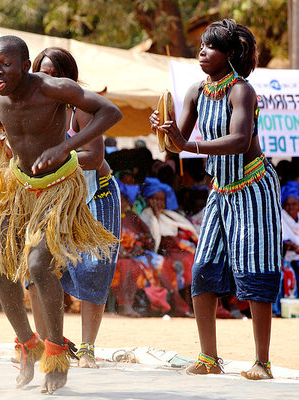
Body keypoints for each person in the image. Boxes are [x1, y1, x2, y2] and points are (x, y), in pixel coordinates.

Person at [0, 36, 121, 393]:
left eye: (6, 64)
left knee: (38, 265)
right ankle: (27, 344)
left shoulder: (54, 89)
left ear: (24, 66)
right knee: (0, 264)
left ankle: (56, 354)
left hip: (59, 188)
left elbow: (111, 112)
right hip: (18, 186)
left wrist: (65, 146)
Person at [151, 19, 282, 379]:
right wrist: (165, 130)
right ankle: (209, 357)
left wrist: (185, 144)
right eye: (202, 46)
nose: (202, 51)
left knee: (254, 270)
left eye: (211, 46)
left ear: (230, 54)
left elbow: (239, 140)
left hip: (253, 187)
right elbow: (176, 140)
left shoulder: (241, 91)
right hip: (220, 192)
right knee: (203, 270)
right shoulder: (196, 90)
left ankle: (262, 362)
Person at [25, 47, 121, 369]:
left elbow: (94, 157)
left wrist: (57, 156)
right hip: (52, 199)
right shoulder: (31, 108)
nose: (46, 78)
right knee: (37, 268)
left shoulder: (79, 106)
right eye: (41, 71)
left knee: (93, 269)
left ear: (67, 75)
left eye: (53, 72)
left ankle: (88, 349)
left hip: (95, 196)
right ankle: (50, 344)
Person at [140, 177, 197, 316]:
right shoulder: (146, 216)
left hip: (181, 251)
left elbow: (187, 230)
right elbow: (154, 240)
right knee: (179, 264)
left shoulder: (171, 215)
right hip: (165, 253)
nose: (159, 203)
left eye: (162, 200)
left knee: (194, 261)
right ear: (149, 199)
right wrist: (156, 216)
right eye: (156, 199)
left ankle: (192, 306)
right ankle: (180, 306)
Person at [112, 179, 169, 317]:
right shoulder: (107, 217)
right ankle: (125, 306)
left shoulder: (132, 217)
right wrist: (116, 248)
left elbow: (146, 237)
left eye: (123, 199)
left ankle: (159, 305)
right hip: (112, 257)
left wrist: (138, 245)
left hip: (134, 256)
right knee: (127, 266)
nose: (121, 202)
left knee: (159, 264)